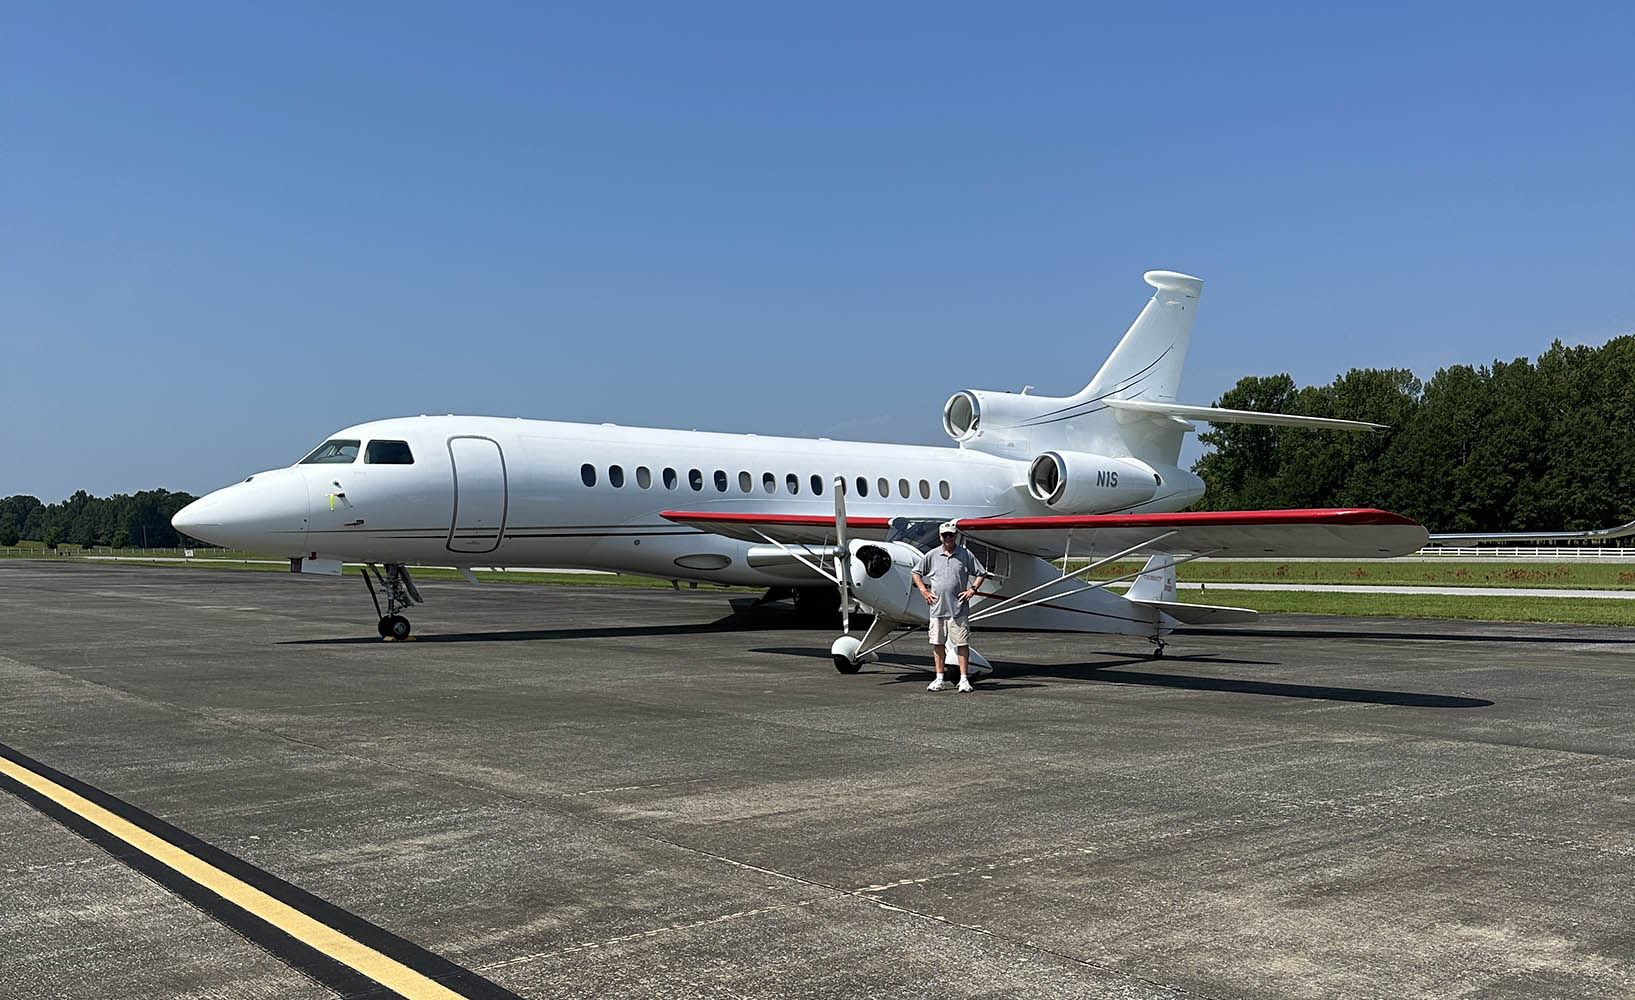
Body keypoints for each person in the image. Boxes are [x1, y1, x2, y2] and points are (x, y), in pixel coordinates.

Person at [912, 521, 988, 692]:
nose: (948, 538)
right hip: (937, 609)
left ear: (955, 536)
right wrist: (924, 591)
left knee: (962, 643)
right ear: (940, 537)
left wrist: (972, 590)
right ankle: (939, 678)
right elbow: (916, 572)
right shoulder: (932, 555)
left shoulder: (965, 554)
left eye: (951, 535)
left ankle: (964, 679)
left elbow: (981, 573)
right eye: (945, 535)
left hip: (958, 609)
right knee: (938, 644)